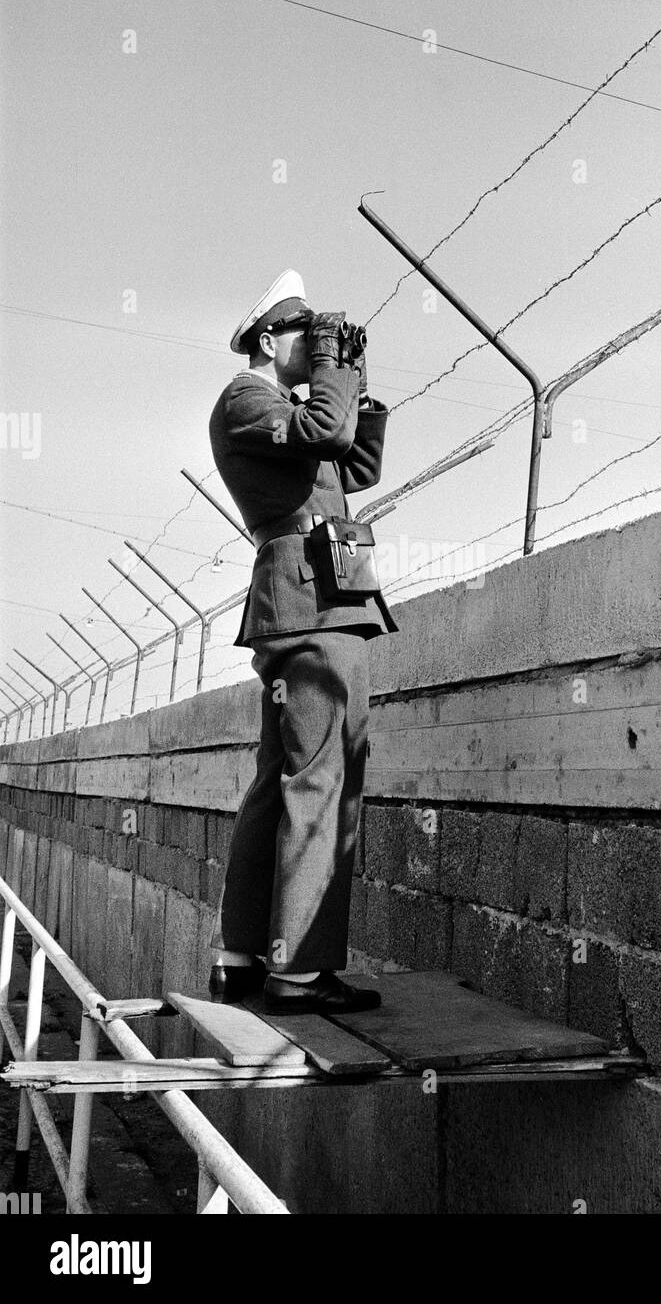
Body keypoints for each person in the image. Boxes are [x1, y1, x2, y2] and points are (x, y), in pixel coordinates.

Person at [207, 267, 398, 1013]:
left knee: (278, 781)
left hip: (316, 595)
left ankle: (242, 958)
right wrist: (329, 373)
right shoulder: (246, 396)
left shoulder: (291, 410)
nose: (318, 343)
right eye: (306, 331)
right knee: (324, 779)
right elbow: (329, 430)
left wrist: (349, 373)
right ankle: (298, 973)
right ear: (268, 336)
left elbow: (354, 462)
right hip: (312, 601)